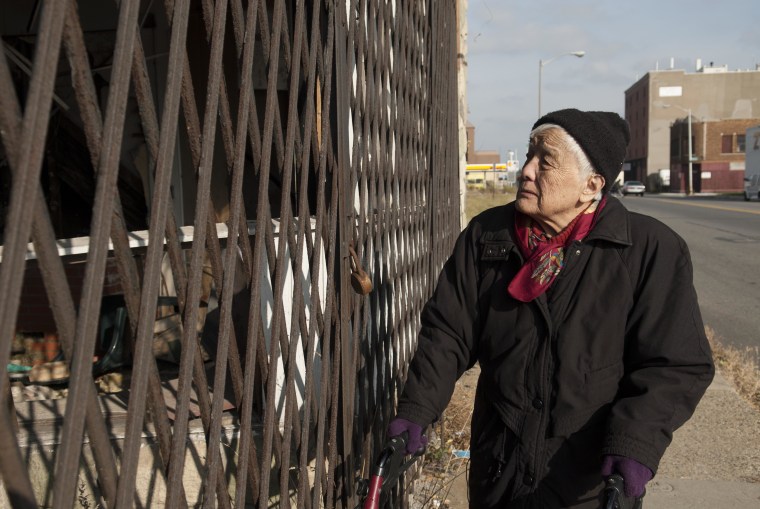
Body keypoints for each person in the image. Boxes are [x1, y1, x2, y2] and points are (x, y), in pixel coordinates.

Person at [387, 109, 714, 508]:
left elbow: (675, 365)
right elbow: (448, 334)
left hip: (590, 483)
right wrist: (417, 409)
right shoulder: (487, 237)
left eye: (547, 161)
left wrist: (635, 444)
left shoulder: (649, 251)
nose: (526, 170)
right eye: (529, 155)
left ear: (591, 185)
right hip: (499, 471)